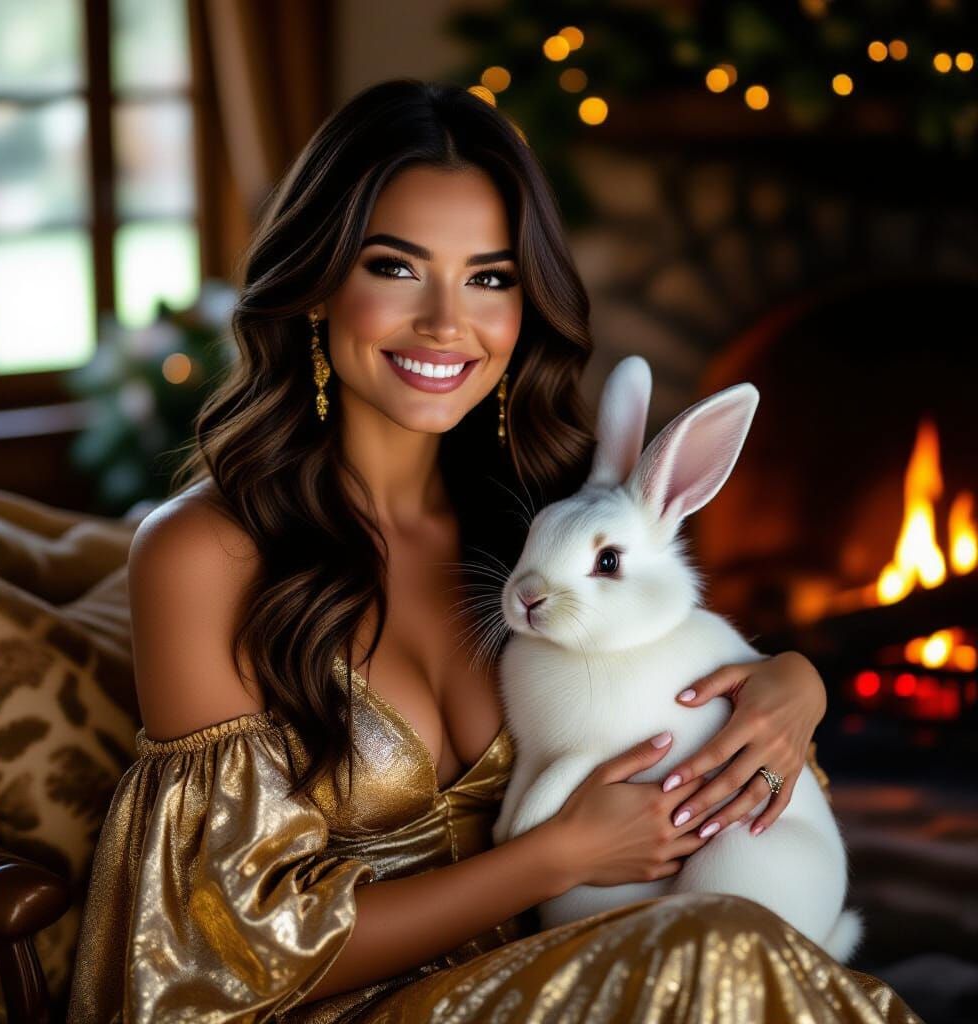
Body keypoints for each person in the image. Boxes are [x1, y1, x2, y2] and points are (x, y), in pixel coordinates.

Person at [65, 79, 922, 1023]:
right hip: (342, 1008)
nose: (446, 321)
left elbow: (703, 747)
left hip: (576, 972)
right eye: (395, 268)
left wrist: (794, 683)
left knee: (735, 950)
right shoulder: (205, 553)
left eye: (490, 276)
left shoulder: (542, 524)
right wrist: (556, 858)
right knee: (724, 955)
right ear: (316, 284)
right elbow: (216, 945)